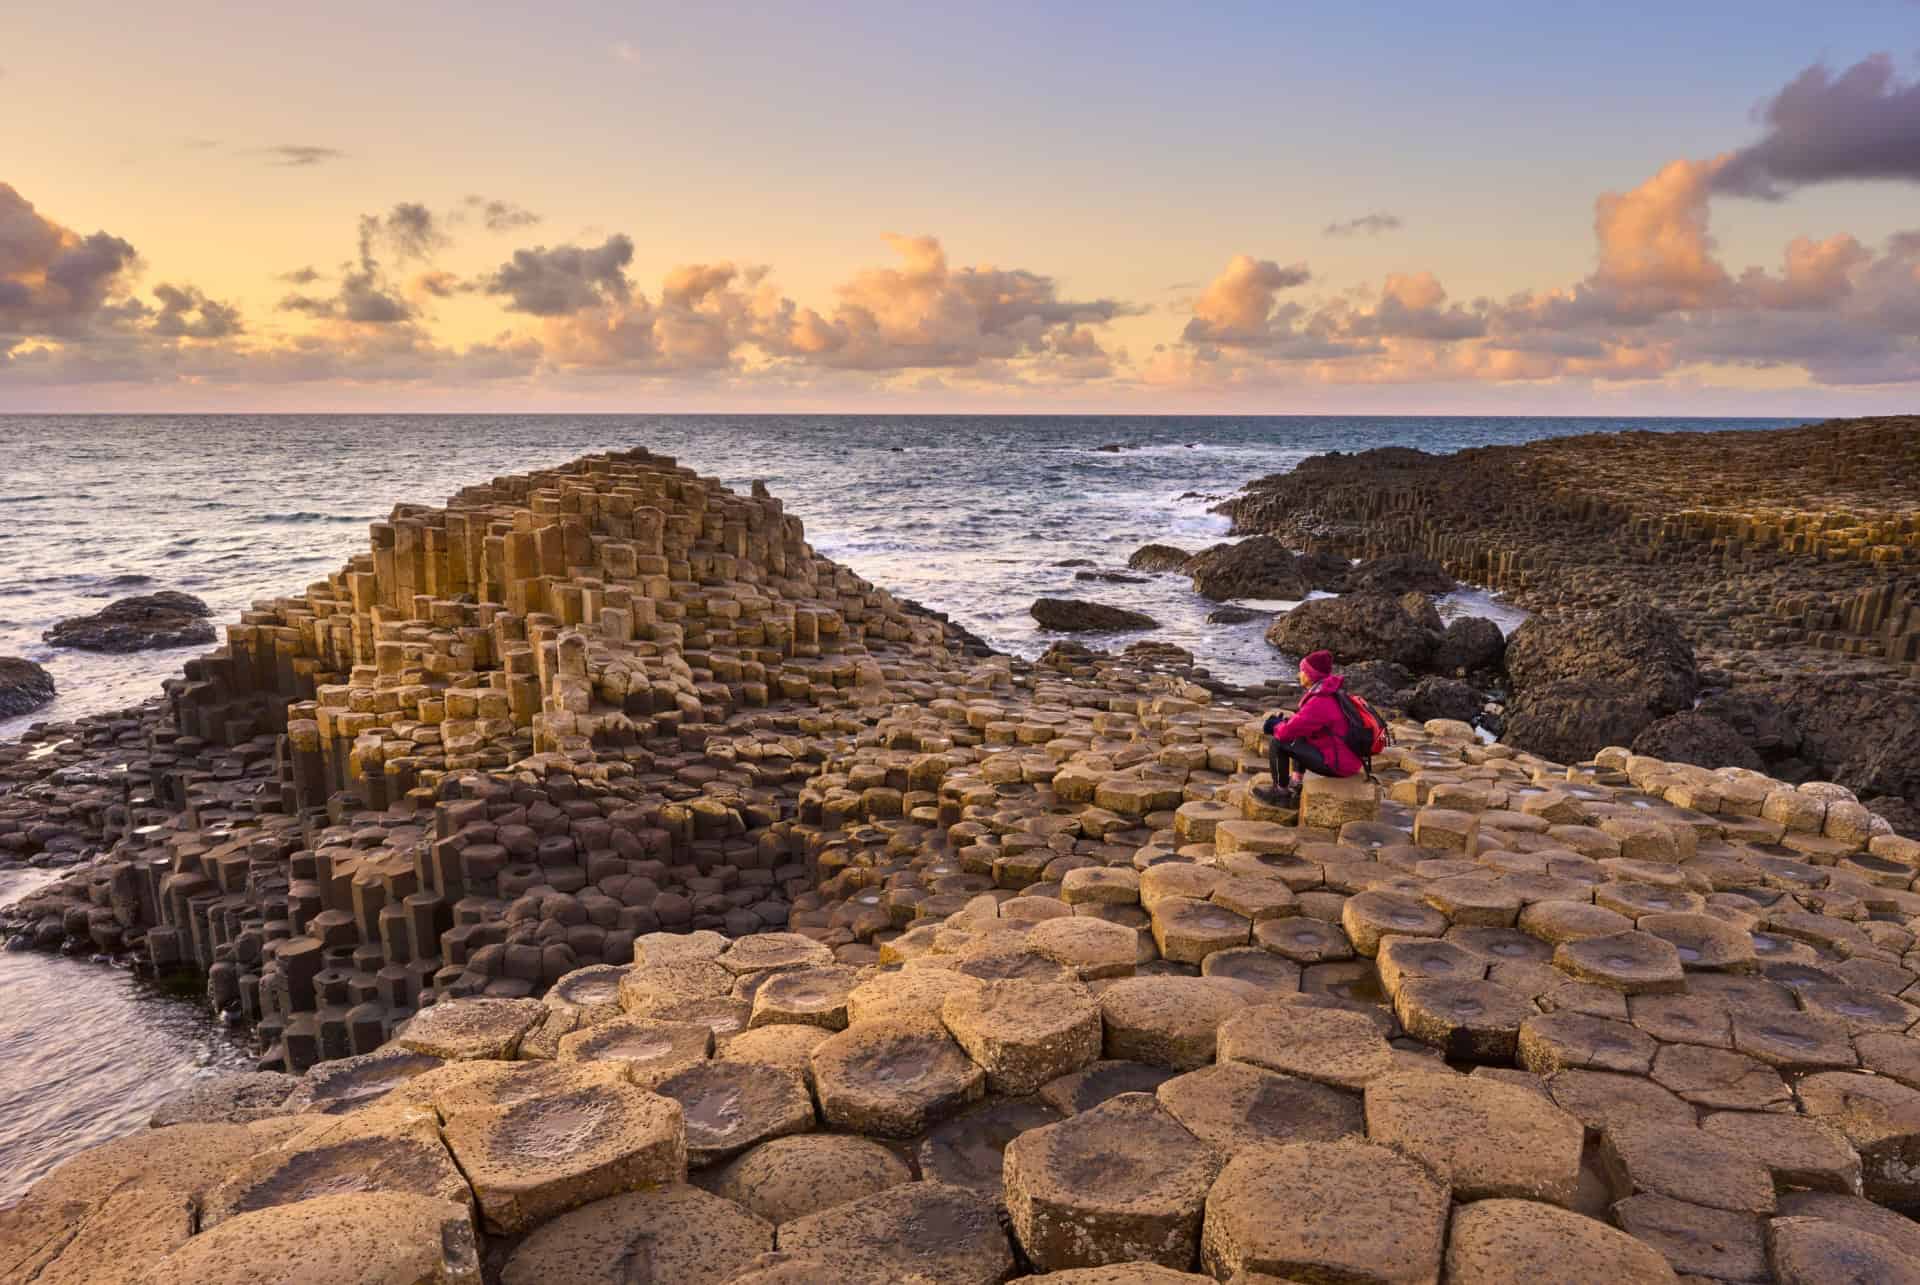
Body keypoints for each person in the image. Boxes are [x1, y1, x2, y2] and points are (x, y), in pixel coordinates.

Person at [1254, 649, 1362, 806]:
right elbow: (1302, 725)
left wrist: (1275, 726)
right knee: (1300, 733)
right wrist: (1285, 723)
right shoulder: (1332, 691)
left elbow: (1285, 734)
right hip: (1348, 759)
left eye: (1302, 671)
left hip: (1338, 764)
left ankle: (1280, 792)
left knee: (1277, 743)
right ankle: (1296, 783)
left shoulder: (1320, 701)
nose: (1299, 675)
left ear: (1312, 675)